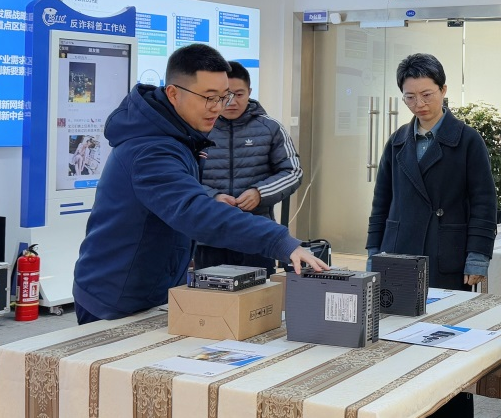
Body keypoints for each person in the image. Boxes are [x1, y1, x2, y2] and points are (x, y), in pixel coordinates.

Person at [72, 44, 328, 323]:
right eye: (208, 97)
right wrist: (278, 240)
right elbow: (192, 210)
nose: (218, 107)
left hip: (152, 286)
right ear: (173, 93)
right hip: (115, 294)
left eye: (223, 96)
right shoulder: (151, 150)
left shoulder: (180, 136)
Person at [366, 53, 497, 418]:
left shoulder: (467, 140)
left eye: (427, 94)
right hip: (399, 253)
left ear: (443, 91)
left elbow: (484, 202)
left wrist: (478, 257)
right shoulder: (397, 141)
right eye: (410, 97)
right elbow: (381, 201)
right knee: (404, 347)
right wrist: (373, 252)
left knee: (446, 347)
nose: (419, 104)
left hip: (447, 254)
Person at [194, 61, 303, 272]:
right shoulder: (199, 129)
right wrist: (213, 197)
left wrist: (260, 193)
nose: (232, 102)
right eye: (227, 95)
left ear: (250, 92)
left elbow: (293, 172)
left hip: (258, 234)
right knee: (209, 291)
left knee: (261, 291)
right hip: (209, 235)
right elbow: (185, 176)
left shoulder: (270, 128)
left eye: (239, 94)